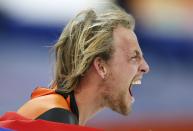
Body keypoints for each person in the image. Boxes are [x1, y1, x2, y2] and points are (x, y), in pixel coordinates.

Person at [1, 3, 149, 129]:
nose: (145, 67)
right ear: (101, 67)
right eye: (133, 57)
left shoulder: (58, 111)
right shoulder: (56, 116)